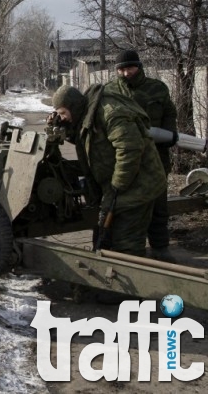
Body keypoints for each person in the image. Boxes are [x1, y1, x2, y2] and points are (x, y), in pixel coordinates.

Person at [51, 84, 166, 258]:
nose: (62, 117)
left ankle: (132, 276)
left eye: (63, 113)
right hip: (118, 188)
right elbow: (88, 140)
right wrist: (64, 128)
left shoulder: (110, 112)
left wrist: (116, 186)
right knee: (105, 239)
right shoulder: (87, 112)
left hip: (137, 186)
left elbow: (130, 150)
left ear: (73, 106)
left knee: (126, 245)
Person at [105, 49, 178, 263]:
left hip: (156, 155)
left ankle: (160, 247)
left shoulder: (157, 88)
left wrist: (168, 134)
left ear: (139, 67)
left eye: (130, 67)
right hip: (125, 156)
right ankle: (120, 248)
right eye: (121, 69)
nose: (126, 73)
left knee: (158, 202)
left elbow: (169, 112)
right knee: (122, 203)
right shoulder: (110, 91)